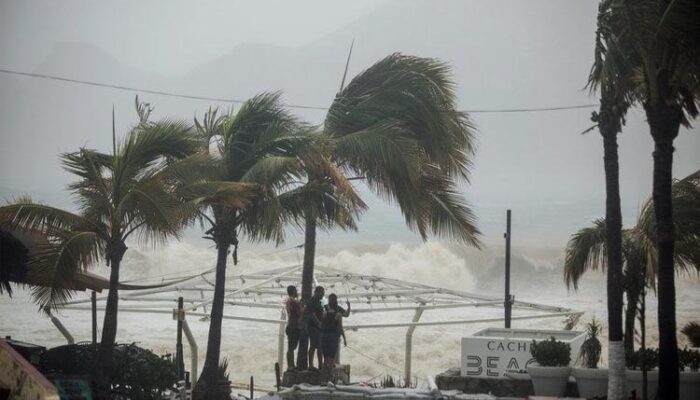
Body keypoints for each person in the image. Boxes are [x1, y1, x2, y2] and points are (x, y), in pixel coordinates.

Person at [321, 293, 351, 375]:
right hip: (333, 337)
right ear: (336, 301)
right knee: (331, 359)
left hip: (324, 336)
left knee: (326, 359)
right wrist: (344, 339)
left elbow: (321, 323)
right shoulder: (338, 312)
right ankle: (329, 378)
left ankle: (323, 378)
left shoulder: (325, 309)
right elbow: (341, 326)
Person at [305, 286, 325, 370]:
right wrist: (318, 323)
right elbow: (312, 314)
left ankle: (320, 364)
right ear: (317, 292)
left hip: (317, 327)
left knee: (319, 346)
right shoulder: (312, 301)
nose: (323, 295)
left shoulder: (318, 301)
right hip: (313, 326)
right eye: (322, 293)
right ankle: (311, 365)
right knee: (313, 345)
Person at [284, 285, 302, 371]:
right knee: (292, 347)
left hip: (289, 326)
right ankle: (291, 366)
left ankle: (290, 365)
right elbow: (300, 314)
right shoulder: (295, 302)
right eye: (296, 290)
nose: (297, 292)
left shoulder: (288, 301)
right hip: (295, 327)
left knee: (290, 348)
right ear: (293, 291)